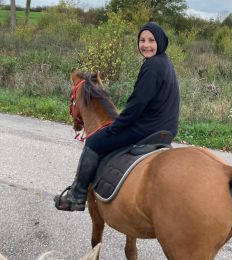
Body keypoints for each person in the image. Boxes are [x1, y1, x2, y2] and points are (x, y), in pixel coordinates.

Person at [54, 22, 180, 211]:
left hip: (148, 127)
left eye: (151, 40)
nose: (145, 45)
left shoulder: (152, 66)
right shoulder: (164, 62)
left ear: (160, 42)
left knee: (93, 143)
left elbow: (137, 103)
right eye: (142, 40)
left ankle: (76, 196)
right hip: (166, 128)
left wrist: (117, 126)